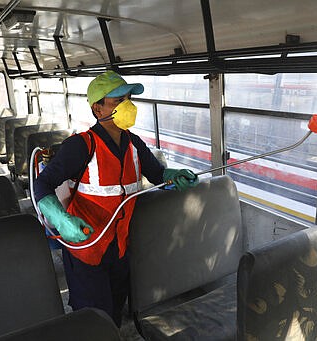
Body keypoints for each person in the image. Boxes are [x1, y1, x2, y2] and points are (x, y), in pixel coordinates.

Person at [34, 70, 197, 327]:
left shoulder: (134, 144)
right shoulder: (81, 145)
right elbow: (42, 184)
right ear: (97, 109)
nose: (127, 105)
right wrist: (61, 219)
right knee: (93, 317)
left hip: (119, 246)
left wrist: (173, 175)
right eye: (118, 101)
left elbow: (156, 174)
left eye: (129, 98)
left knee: (115, 309)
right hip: (86, 246)